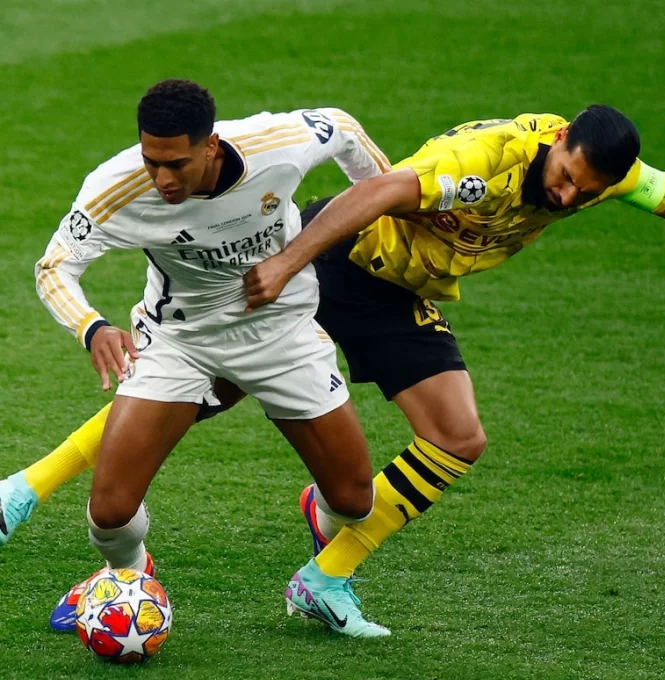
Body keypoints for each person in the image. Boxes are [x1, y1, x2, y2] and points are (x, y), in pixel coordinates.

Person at [4, 106, 665, 634]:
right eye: (568, 178)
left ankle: (326, 568)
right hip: (333, 264)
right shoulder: (484, 163)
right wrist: (289, 264)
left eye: (587, 192)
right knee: (191, 393)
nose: (569, 197)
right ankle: (26, 492)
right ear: (560, 140)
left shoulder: (609, 171)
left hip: (397, 292)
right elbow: (371, 193)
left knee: (455, 436)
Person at [19, 78, 396, 639]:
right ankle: (127, 577)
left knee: (354, 502)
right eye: (152, 162)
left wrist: (387, 206)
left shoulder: (277, 144)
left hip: (282, 332)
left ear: (211, 146)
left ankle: (318, 524)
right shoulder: (116, 187)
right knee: (110, 512)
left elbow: (343, 127)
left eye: (177, 164)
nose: (163, 179)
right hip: (180, 341)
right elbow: (54, 267)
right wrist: (92, 326)